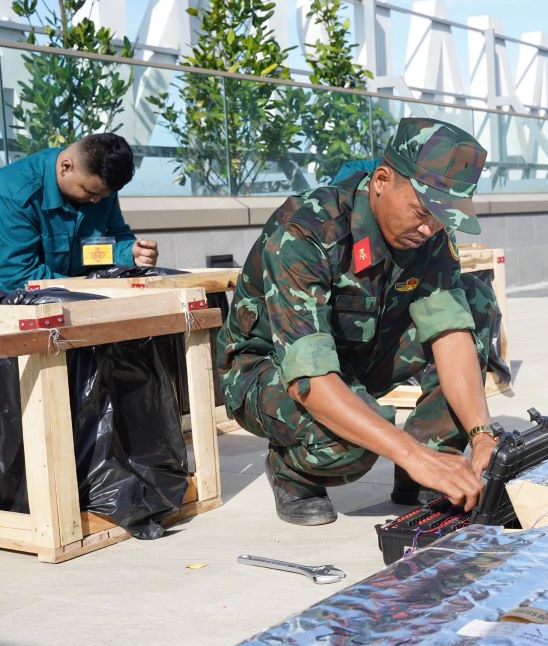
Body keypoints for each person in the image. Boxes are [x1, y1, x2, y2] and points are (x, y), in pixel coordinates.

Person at [216, 117, 503, 526]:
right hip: (269, 370)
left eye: (444, 215)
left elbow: (451, 334)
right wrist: (406, 451)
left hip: (358, 354)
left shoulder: (431, 232)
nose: (431, 227)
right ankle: (293, 473)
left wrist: (482, 435)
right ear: (382, 180)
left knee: (474, 302)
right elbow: (309, 379)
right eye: (423, 210)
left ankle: (431, 463)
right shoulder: (307, 230)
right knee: (350, 444)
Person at [0, 133, 158, 292]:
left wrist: (131, 253)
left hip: (67, 289)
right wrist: (88, 289)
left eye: (105, 195)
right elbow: (19, 274)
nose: (97, 201)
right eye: (91, 192)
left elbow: (101, 245)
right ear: (66, 167)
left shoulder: (100, 189)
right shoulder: (13, 192)